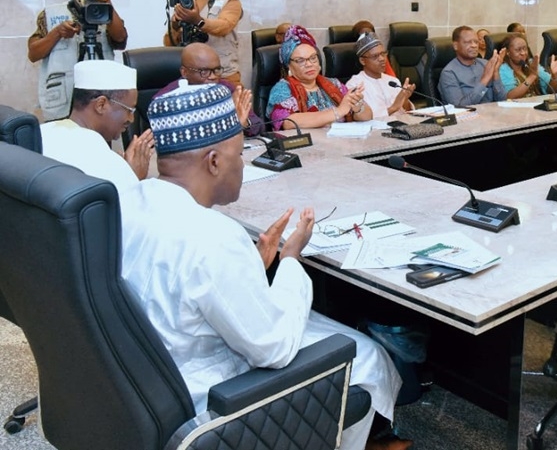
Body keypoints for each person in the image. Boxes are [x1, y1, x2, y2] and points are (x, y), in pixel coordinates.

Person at [119, 82, 409, 450]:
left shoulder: (130, 201)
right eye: (239, 154)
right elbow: (274, 348)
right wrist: (290, 259)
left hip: (146, 381)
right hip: (207, 399)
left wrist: (254, 263)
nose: (242, 164)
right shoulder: (213, 235)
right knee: (366, 356)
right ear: (213, 161)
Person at [28, 0, 129, 121]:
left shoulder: (105, 11)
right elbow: (33, 53)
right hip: (62, 101)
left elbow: (120, 38)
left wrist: (107, 2)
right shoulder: (51, 13)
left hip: (99, 98)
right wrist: (58, 33)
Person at [39, 59, 154, 193]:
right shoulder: (98, 156)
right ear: (101, 105)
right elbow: (123, 209)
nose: (131, 119)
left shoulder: (43, 132)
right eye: (129, 110)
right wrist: (132, 176)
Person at [266, 25, 372, 129]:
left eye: (313, 58)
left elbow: (367, 117)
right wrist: (338, 111)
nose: (309, 64)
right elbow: (288, 122)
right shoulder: (282, 89)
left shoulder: (334, 84)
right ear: (289, 65)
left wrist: (358, 105)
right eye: (300, 60)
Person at [165, 0, 244, 85]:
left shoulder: (230, 1)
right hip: (193, 77)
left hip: (223, 75)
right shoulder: (186, 2)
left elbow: (223, 27)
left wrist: (197, 20)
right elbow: (168, 43)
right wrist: (175, 26)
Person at [153, 43, 264, 136]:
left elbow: (259, 126)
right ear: (184, 72)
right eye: (204, 72)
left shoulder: (227, 89)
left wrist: (244, 123)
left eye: (216, 70)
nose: (213, 77)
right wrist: (228, 124)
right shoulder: (165, 100)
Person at [346, 33, 415, 118]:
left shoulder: (393, 81)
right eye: (375, 56)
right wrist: (393, 108)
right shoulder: (354, 86)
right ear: (362, 60)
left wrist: (405, 99)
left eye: (383, 54)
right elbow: (363, 119)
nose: (382, 59)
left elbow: (408, 112)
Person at [438, 26, 507, 106]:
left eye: (476, 42)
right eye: (468, 42)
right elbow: (459, 107)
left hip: (492, 114)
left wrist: (495, 73)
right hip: (467, 117)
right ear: (455, 46)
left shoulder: (486, 64)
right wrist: (485, 79)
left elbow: (502, 99)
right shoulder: (449, 73)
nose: (474, 45)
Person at [498, 33, 557, 99]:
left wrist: (554, 75)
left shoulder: (531, 64)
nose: (523, 53)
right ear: (508, 52)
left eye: (525, 48)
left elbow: (551, 91)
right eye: (518, 50)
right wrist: (532, 76)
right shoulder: (503, 69)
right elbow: (510, 96)